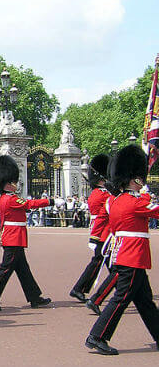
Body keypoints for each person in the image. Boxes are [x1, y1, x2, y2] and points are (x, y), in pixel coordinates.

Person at [86, 145, 159, 355]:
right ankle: (97, 336)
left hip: (125, 254)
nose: (142, 181)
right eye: (140, 178)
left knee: (145, 301)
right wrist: (145, 195)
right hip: (132, 256)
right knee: (121, 298)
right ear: (134, 178)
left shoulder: (115, 200)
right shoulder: (135, 202)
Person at [0, 155, 54, 311]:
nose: (16, 184)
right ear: (7, 184)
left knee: (23, 269)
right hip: (13, 237)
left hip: (14, 236)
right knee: (5, 269)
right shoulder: (11, 199)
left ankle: (34, 297)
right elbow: (29, 204)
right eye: (13, 182)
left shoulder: (6, 198)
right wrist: (49, 201)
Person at [69, 154, 111, 302]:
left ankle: (79, 289)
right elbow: (102, 216)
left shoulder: (98, 193)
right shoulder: (102, 195)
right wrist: (94, 236)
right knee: (110, 265)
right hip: (103, 233)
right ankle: (79, 289)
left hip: (104, 232)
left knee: (106, 263)